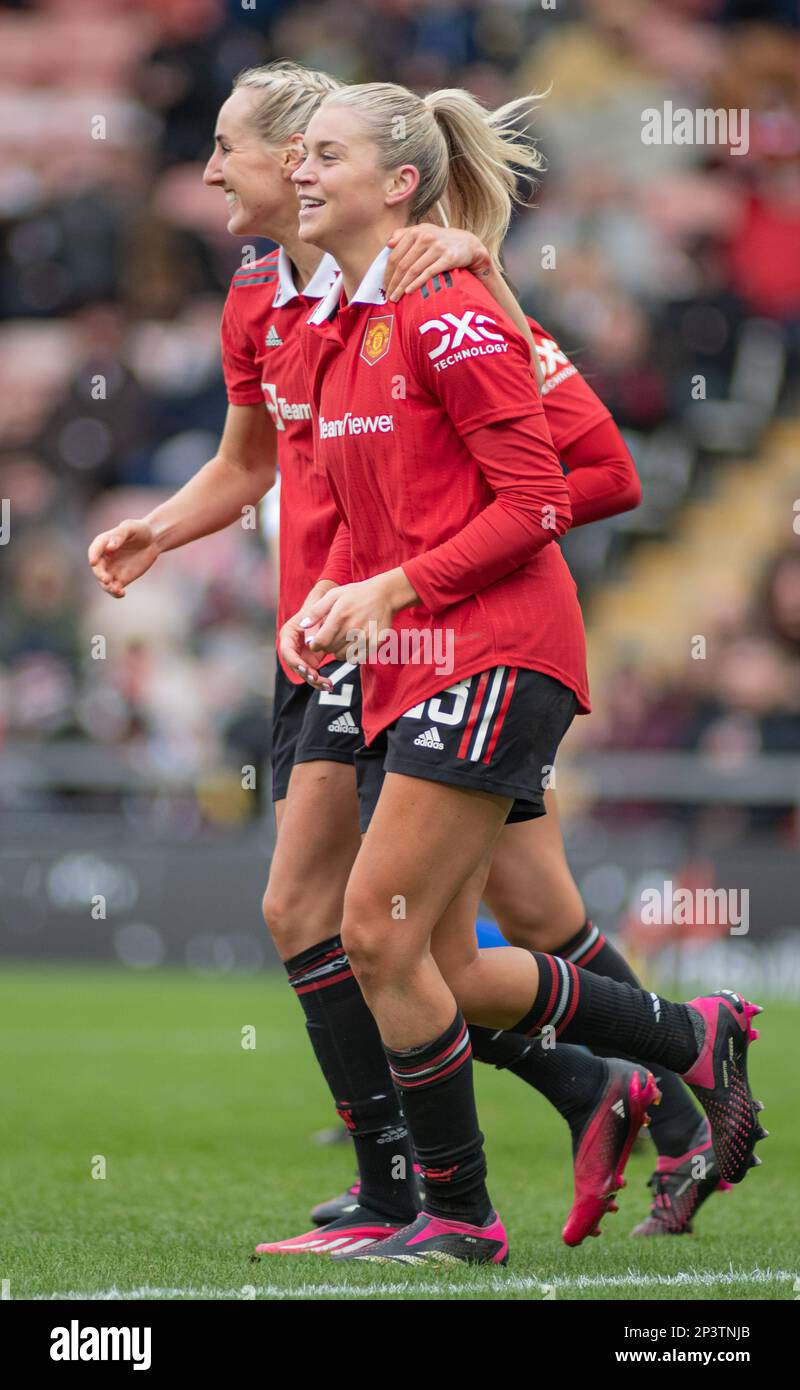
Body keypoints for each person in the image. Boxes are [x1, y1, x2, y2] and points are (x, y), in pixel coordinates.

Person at [274, 80, 766, 1266]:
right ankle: (682, 1037)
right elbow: (375, 510)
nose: (291, 171)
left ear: (398, 182)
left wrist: (391, 590)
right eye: (287, 153)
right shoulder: (341, 326)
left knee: (371, 931)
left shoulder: (441, 303)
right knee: (440, 959)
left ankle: (451, 1214)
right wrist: (333, 600)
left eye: (318, 152)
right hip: (410, 657)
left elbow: (557, 489)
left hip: (485, 649)